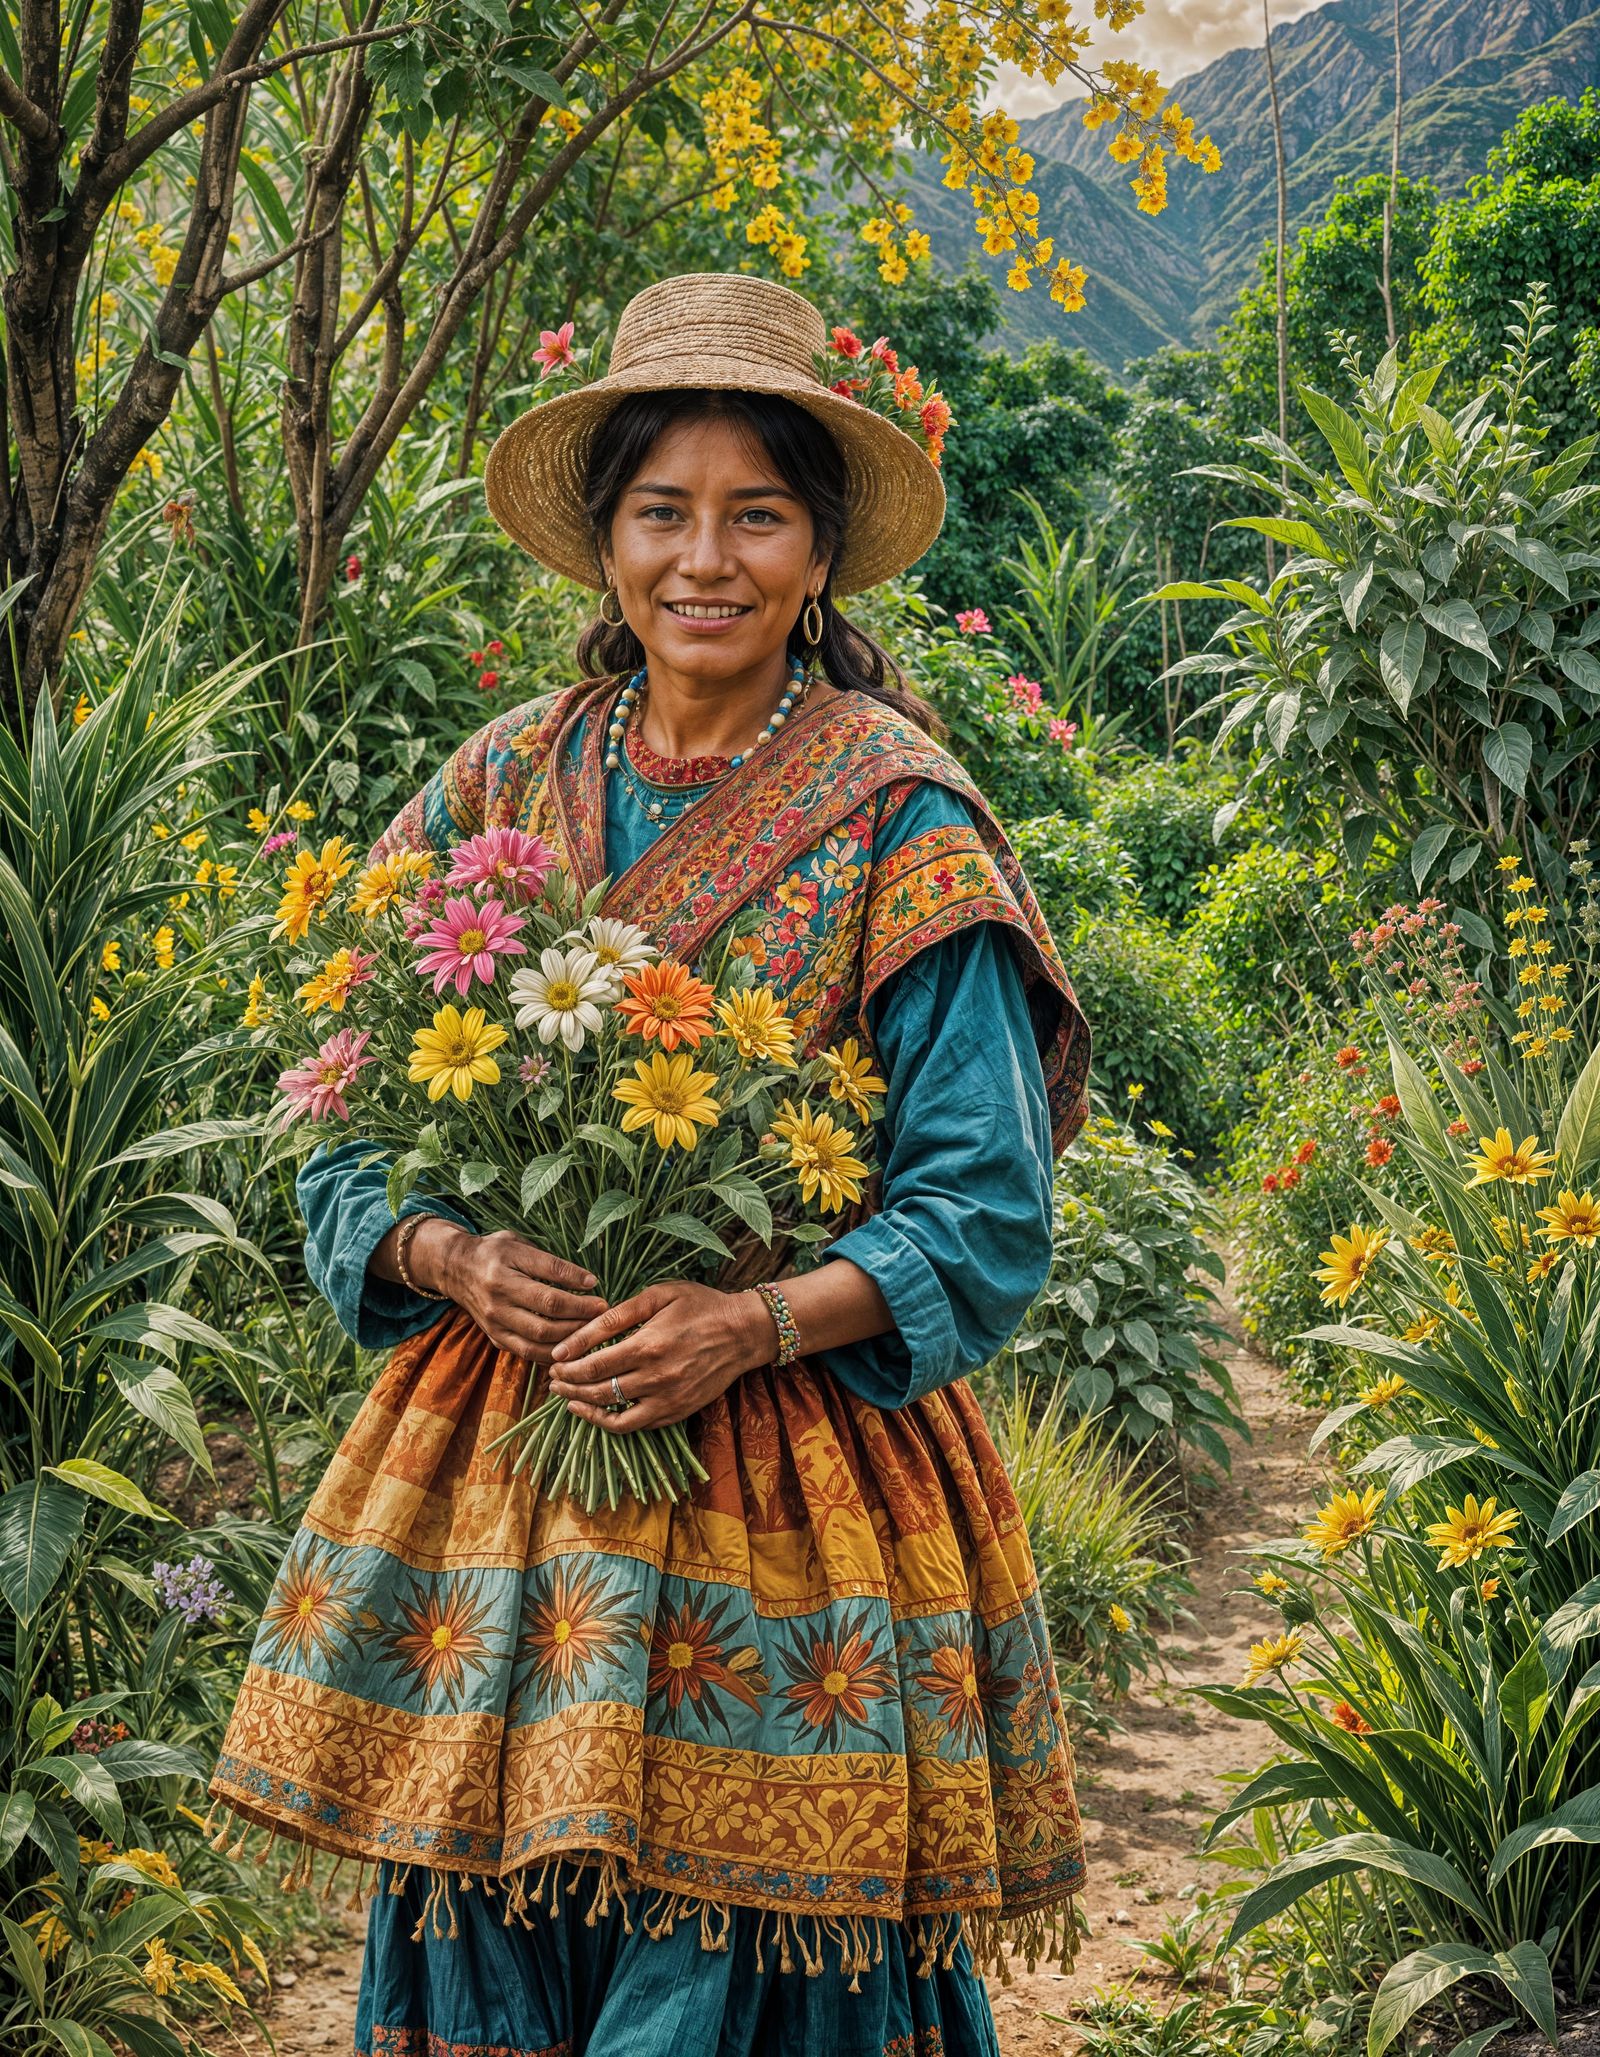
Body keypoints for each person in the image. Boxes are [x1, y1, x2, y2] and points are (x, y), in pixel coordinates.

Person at [211, 271, 1092, 2057]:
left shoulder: (894, 815)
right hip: (500, 1513)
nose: (708, 559)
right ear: (604, 544)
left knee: (753, 1938)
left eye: (756, 515)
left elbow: (988, 1207)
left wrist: (750, 1323)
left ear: (820, 551)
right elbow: (341, 1125)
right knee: (487, 1918)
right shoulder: (491, 790)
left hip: (793, 1509)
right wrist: (450, 1258)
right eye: (663, 512)